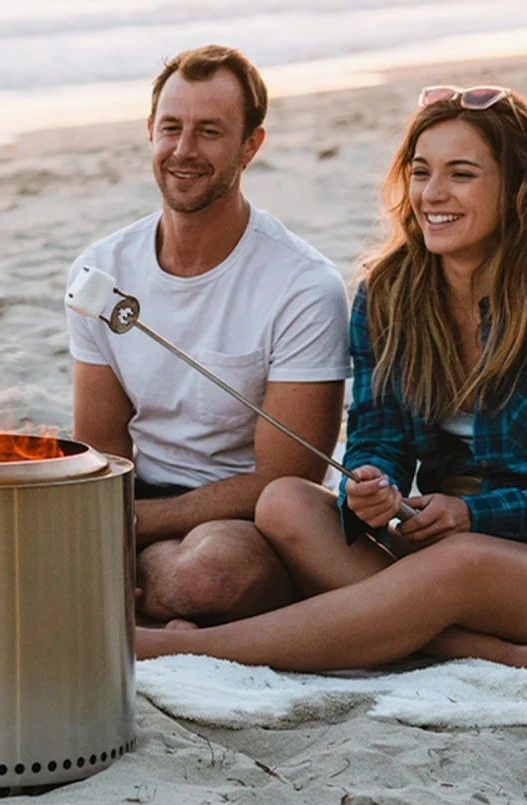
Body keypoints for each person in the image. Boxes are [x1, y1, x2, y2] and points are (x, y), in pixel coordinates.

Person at [135, 85, 527, 671]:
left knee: (459, 564)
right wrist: (371, 484)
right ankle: (476, 648)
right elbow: (379, 434)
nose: (431, 195)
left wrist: (474, 517)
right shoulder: (389, 295)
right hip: (437, 533)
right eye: (420, 172)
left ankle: (181, 646)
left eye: (461, 175)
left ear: (518, 190)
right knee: (285, 503)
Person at [67, 45, 351, 629]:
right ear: (150, 132)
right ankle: (150, 597)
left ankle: (146, 598)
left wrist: (136, 528)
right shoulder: (100, 271)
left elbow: (287, 479)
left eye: (210, 131)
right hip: (138, 498)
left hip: (247, 517)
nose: (184, 150)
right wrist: (112, 522)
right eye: (170, 128)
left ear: (251, 145)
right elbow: (103, 449)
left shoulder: (303, 285)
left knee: (207, 575)